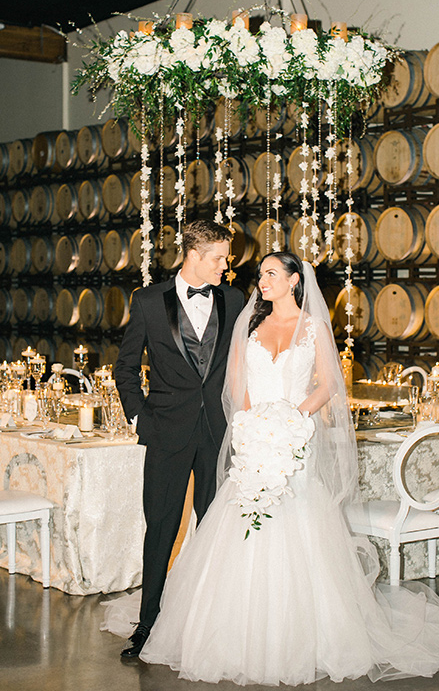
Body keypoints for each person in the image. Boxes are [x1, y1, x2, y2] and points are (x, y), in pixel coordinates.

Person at [106, 251, 439, 683]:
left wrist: (294, 420)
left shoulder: (315, 327)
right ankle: (193, 625)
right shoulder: (248, 323)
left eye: (269, 274)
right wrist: (247, 425)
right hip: (249, 441)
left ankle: (299, 634)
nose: (259, 281)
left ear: (294, 280)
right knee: (226, 531)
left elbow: (328, 383)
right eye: (260, 273)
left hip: (294, 444)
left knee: (297, 534)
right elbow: (234, 382)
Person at [113, 219, 244, 658]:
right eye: (219, 258)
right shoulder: (148, 301)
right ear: (193, 255)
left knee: (214, 531)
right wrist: (139, 419)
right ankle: (147, 625)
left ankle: (210, 624)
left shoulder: (235, 298)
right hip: (166, 431)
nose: (225, 267)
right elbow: (125, 367)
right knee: (162, 529)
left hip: (218, 435)